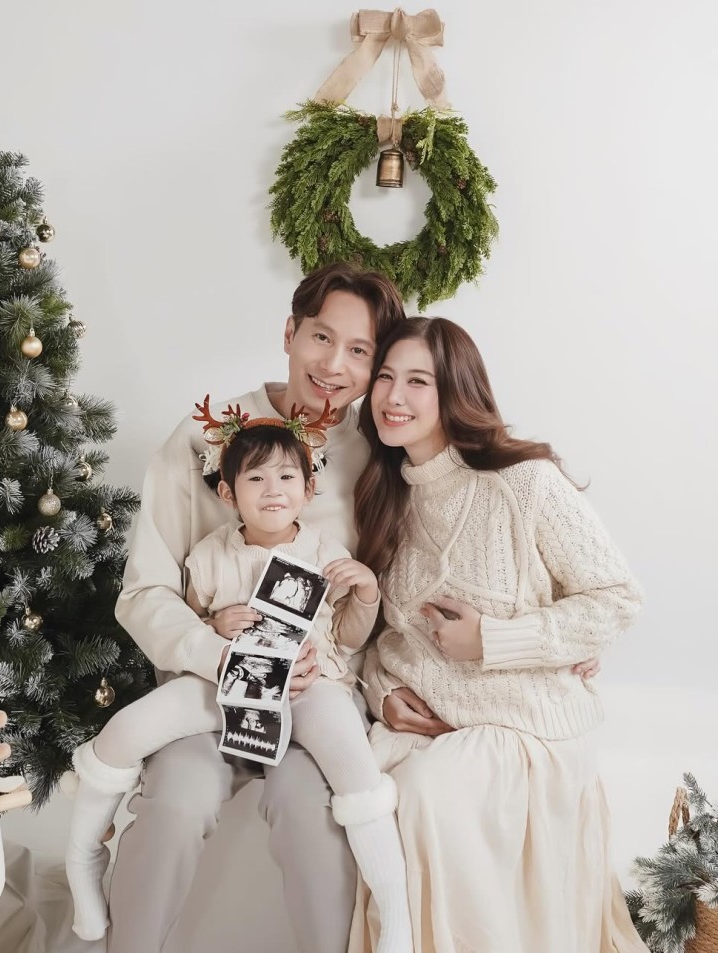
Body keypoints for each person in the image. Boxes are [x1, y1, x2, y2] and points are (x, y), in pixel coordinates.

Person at [102, 262, 406, 953]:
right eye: (322, 337)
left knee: (313, 813)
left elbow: (385, 597)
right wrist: (219, 655)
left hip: (317, 700)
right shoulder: (204, 436)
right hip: (210, 697)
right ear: (290, 333)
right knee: (175, 802)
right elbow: (146, 590)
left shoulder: (378, 458)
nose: (334, 365)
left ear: (375, 367)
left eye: (359, 350)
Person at [349, 316, 648, 953]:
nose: (393, 397)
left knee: (425, 796)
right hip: (431, 724)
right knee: (357, 797)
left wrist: (494, 641)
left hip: (525, 727)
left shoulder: (524, 481)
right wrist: (382, 693)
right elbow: (379, 636)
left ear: (456, 390)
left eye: (418, 381)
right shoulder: (383, 495)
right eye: (385, 377)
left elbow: (616, 598)